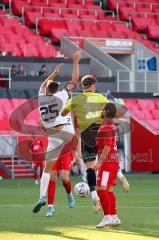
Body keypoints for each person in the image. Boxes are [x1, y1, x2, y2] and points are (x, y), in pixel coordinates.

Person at [62, 75, 128, 213]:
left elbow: (63, 113)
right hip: (101, 132)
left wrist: (73, 109)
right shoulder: (101, 98)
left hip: (87, 136)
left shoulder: (76, 99)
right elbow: (112, 111)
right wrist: (120, 104)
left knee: (90, 168)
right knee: (108, 159)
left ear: (82, 87)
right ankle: (120, 175)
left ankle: (94, 199)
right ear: (93, 86)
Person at [32, 51, 80, 213]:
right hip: (63, 135)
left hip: (51, 137)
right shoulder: (61, 95)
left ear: (47, 89)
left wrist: (53, 73)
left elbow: (42, 85)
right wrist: (75, 61)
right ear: (58, 88)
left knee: (47, 169)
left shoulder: (41, 98)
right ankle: (47, 201)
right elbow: (74, 81)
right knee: (64, 123)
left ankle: (41, 197)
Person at [47, 114, 80, 217]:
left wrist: (78, 152)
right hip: (54, 150)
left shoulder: (71, 113)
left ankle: (69, 195)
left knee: (64, 178)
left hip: (67, 150)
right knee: (51, 176)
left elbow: (77, 134)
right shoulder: (51, 113)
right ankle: (50, 206)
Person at [95, 102, 121, 228]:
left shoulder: (106, 127)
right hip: (113, 162)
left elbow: (107, 146)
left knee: (100, 188)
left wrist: (99, 163)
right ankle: (114, 217)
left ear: (105, 112)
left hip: (107, 163)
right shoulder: (112, 126)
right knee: (109, 190)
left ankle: (107, 217)